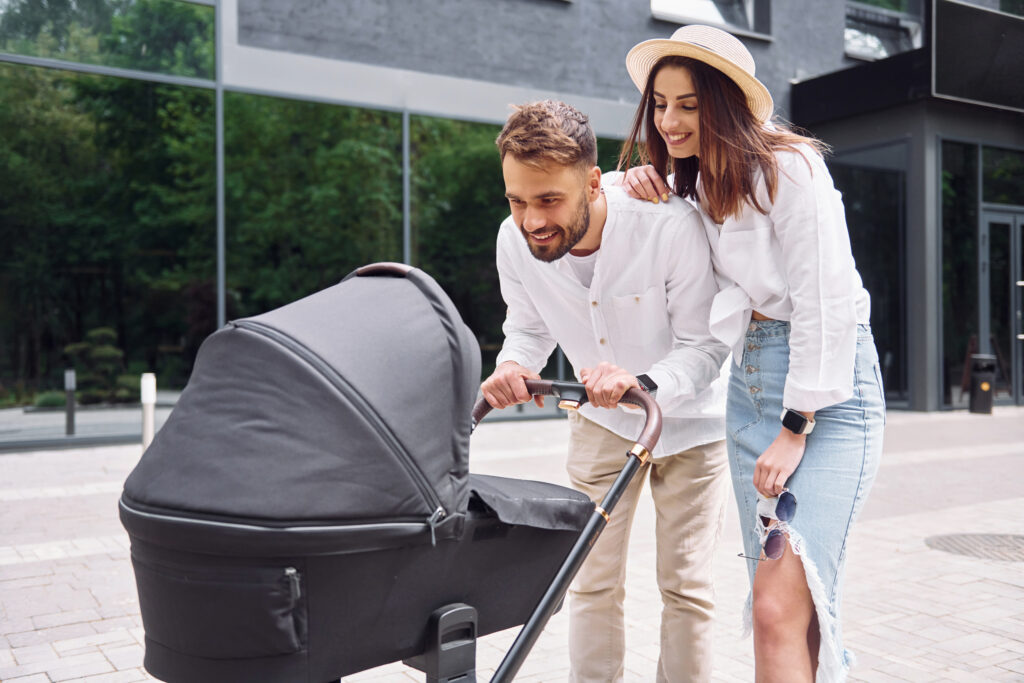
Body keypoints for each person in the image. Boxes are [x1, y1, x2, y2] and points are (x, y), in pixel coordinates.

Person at [613, 25, 885, 683]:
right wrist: (644, 197)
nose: (670, 120)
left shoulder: (789, 166)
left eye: (689, 104)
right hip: (751, 388)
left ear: (724, 103)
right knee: (791, 608)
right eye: (660, 103)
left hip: (826, 398)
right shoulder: (695, 188)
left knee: (774, 604)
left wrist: (797, 426)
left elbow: (824, 301)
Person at [481, 99, 731, 682]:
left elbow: (706, 346)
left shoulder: (667, 226)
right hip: (600, 424)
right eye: (517, 200)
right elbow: (527, 325)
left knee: (686, 585)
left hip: (693, 426)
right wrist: (513, 364)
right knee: (587, 578)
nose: (532, 220)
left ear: (594, 182)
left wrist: (639, 382)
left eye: (549, 200)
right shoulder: (512, 240)